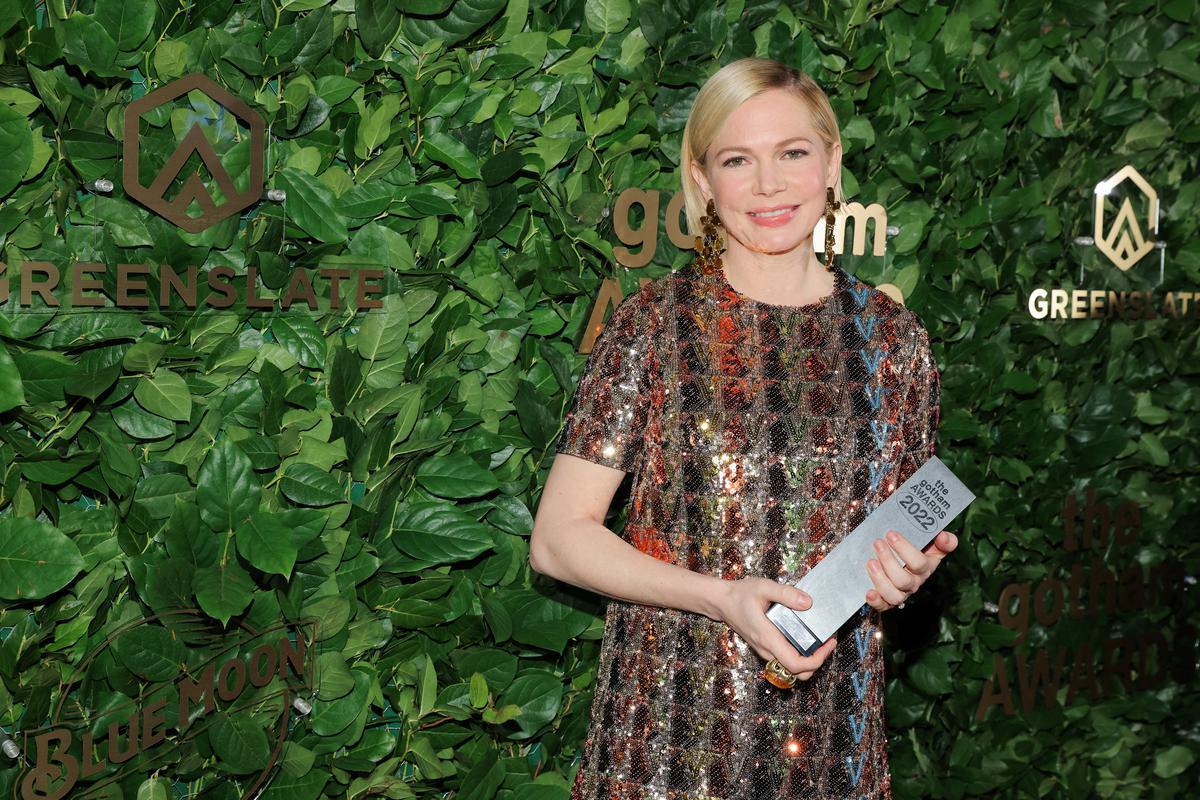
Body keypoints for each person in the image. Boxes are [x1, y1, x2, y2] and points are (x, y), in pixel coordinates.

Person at [530, 57, 958, 800]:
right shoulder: (654, 324)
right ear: (701, 182)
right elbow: (559, 539)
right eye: (737, 160)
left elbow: (897, 533)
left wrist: (905, 575)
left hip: (835, 737)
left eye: (792, 153)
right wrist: (720, 597)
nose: (768, 185)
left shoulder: (894, 339)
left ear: (832, 164)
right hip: (668, 736)